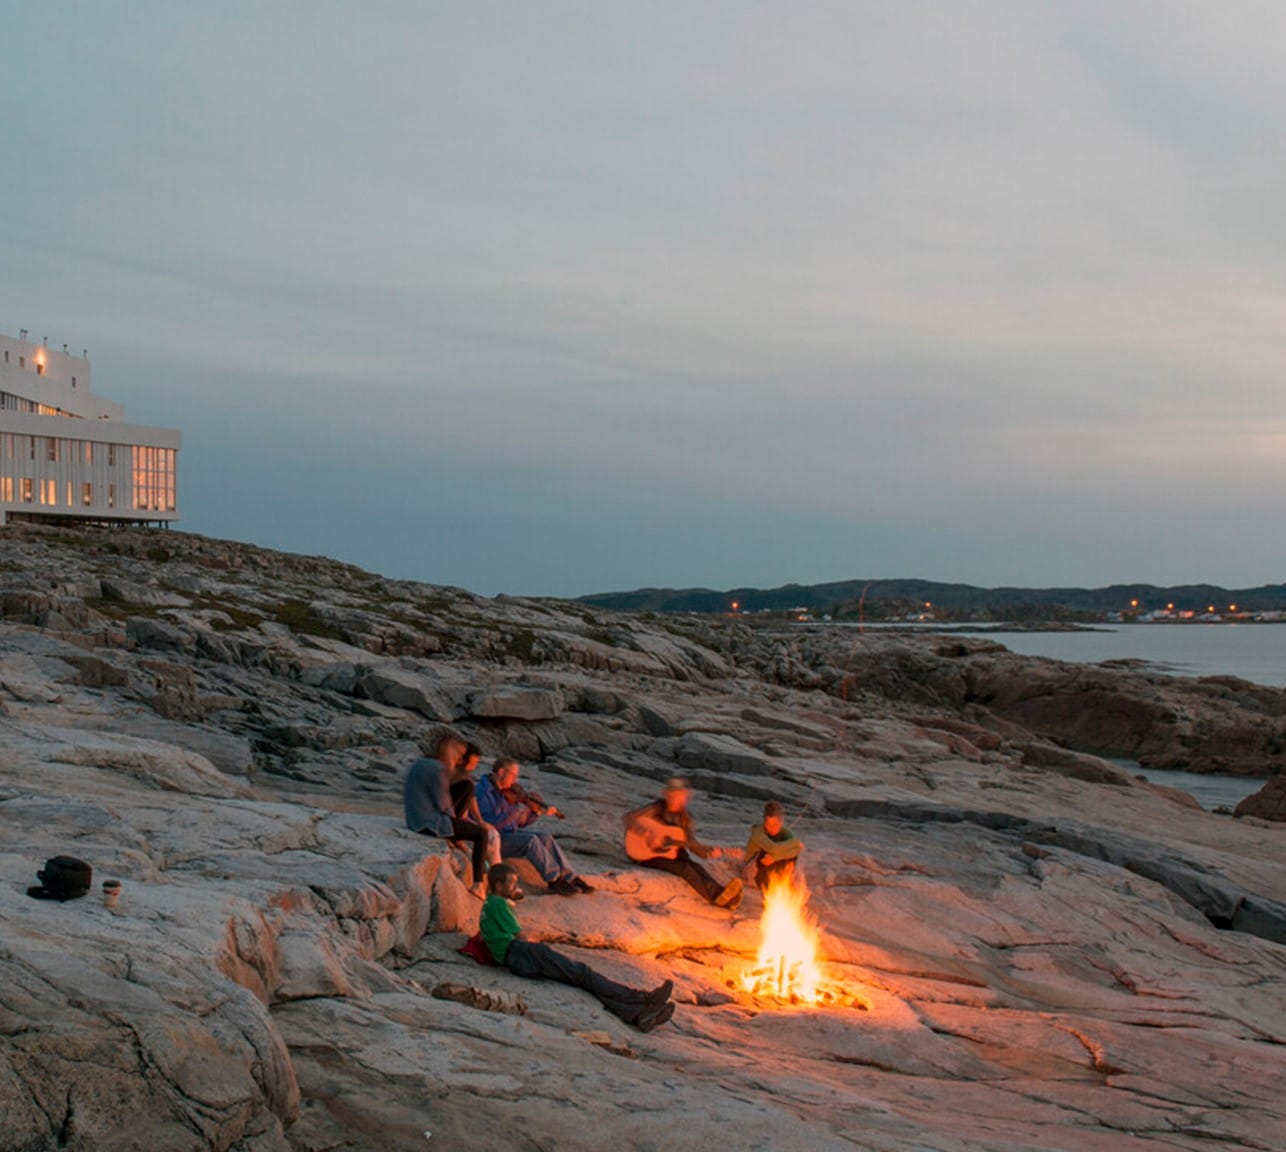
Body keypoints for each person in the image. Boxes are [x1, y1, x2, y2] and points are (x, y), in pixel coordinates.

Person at [480, 863, 674, 1032]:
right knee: (582, 973)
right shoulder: (498, 903)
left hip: (516, 957)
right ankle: (642, 997)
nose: (515, 887)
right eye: (511, 883)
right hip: (521, 954)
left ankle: (639, 1015)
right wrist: (538, 946)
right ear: (499, 885)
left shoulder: (489, 903)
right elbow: (520, 935)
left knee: (581, 982)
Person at [623, 778, 743, 909]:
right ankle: (715, 896)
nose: (677, 798)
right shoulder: (657, 808)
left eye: (681, 795)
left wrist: (710, 852)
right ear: (667, 794)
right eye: (674, 794)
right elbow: (629, 818)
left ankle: (723, 894)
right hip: (648, 855)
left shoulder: (685, 818)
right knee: (684, 869)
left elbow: (691, 844)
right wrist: (648, 833)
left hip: (672, 851)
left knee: (694, 866)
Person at [476, 757, 590, 895]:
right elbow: (488, 824)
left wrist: (534, 812)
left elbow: (521, 823)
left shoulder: (509, 792)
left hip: (509, 834)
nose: (515, 780)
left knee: (545, 837)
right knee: (530, 841)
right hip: (494, 840)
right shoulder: (483, 793)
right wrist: (514, 814)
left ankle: (570, 877)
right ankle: (554, 880)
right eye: (513, 775)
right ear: (501, 772)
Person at [403, 733, 493, 898]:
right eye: (457, 753)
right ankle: (478, 884)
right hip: (429, 823)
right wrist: (457, 832)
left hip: (414, 819)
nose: (459, 758)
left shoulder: (422, 763)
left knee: (466, 789)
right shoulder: (439, 769)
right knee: (481, 834)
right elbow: (444, 805)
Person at [744, 801, 804, 893]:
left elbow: (797, 850)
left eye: (775, 825)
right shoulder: (758, 833)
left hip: (773, 863)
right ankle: (768, 889)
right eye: (768, 825)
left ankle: (784, 885)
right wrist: (795, 843)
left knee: (789, 855)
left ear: (781, 822)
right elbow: (773, 848)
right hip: (753, 869)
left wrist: (775, 858)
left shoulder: (786, 832)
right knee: (769, 852)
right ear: (764, 821)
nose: (771, 828)